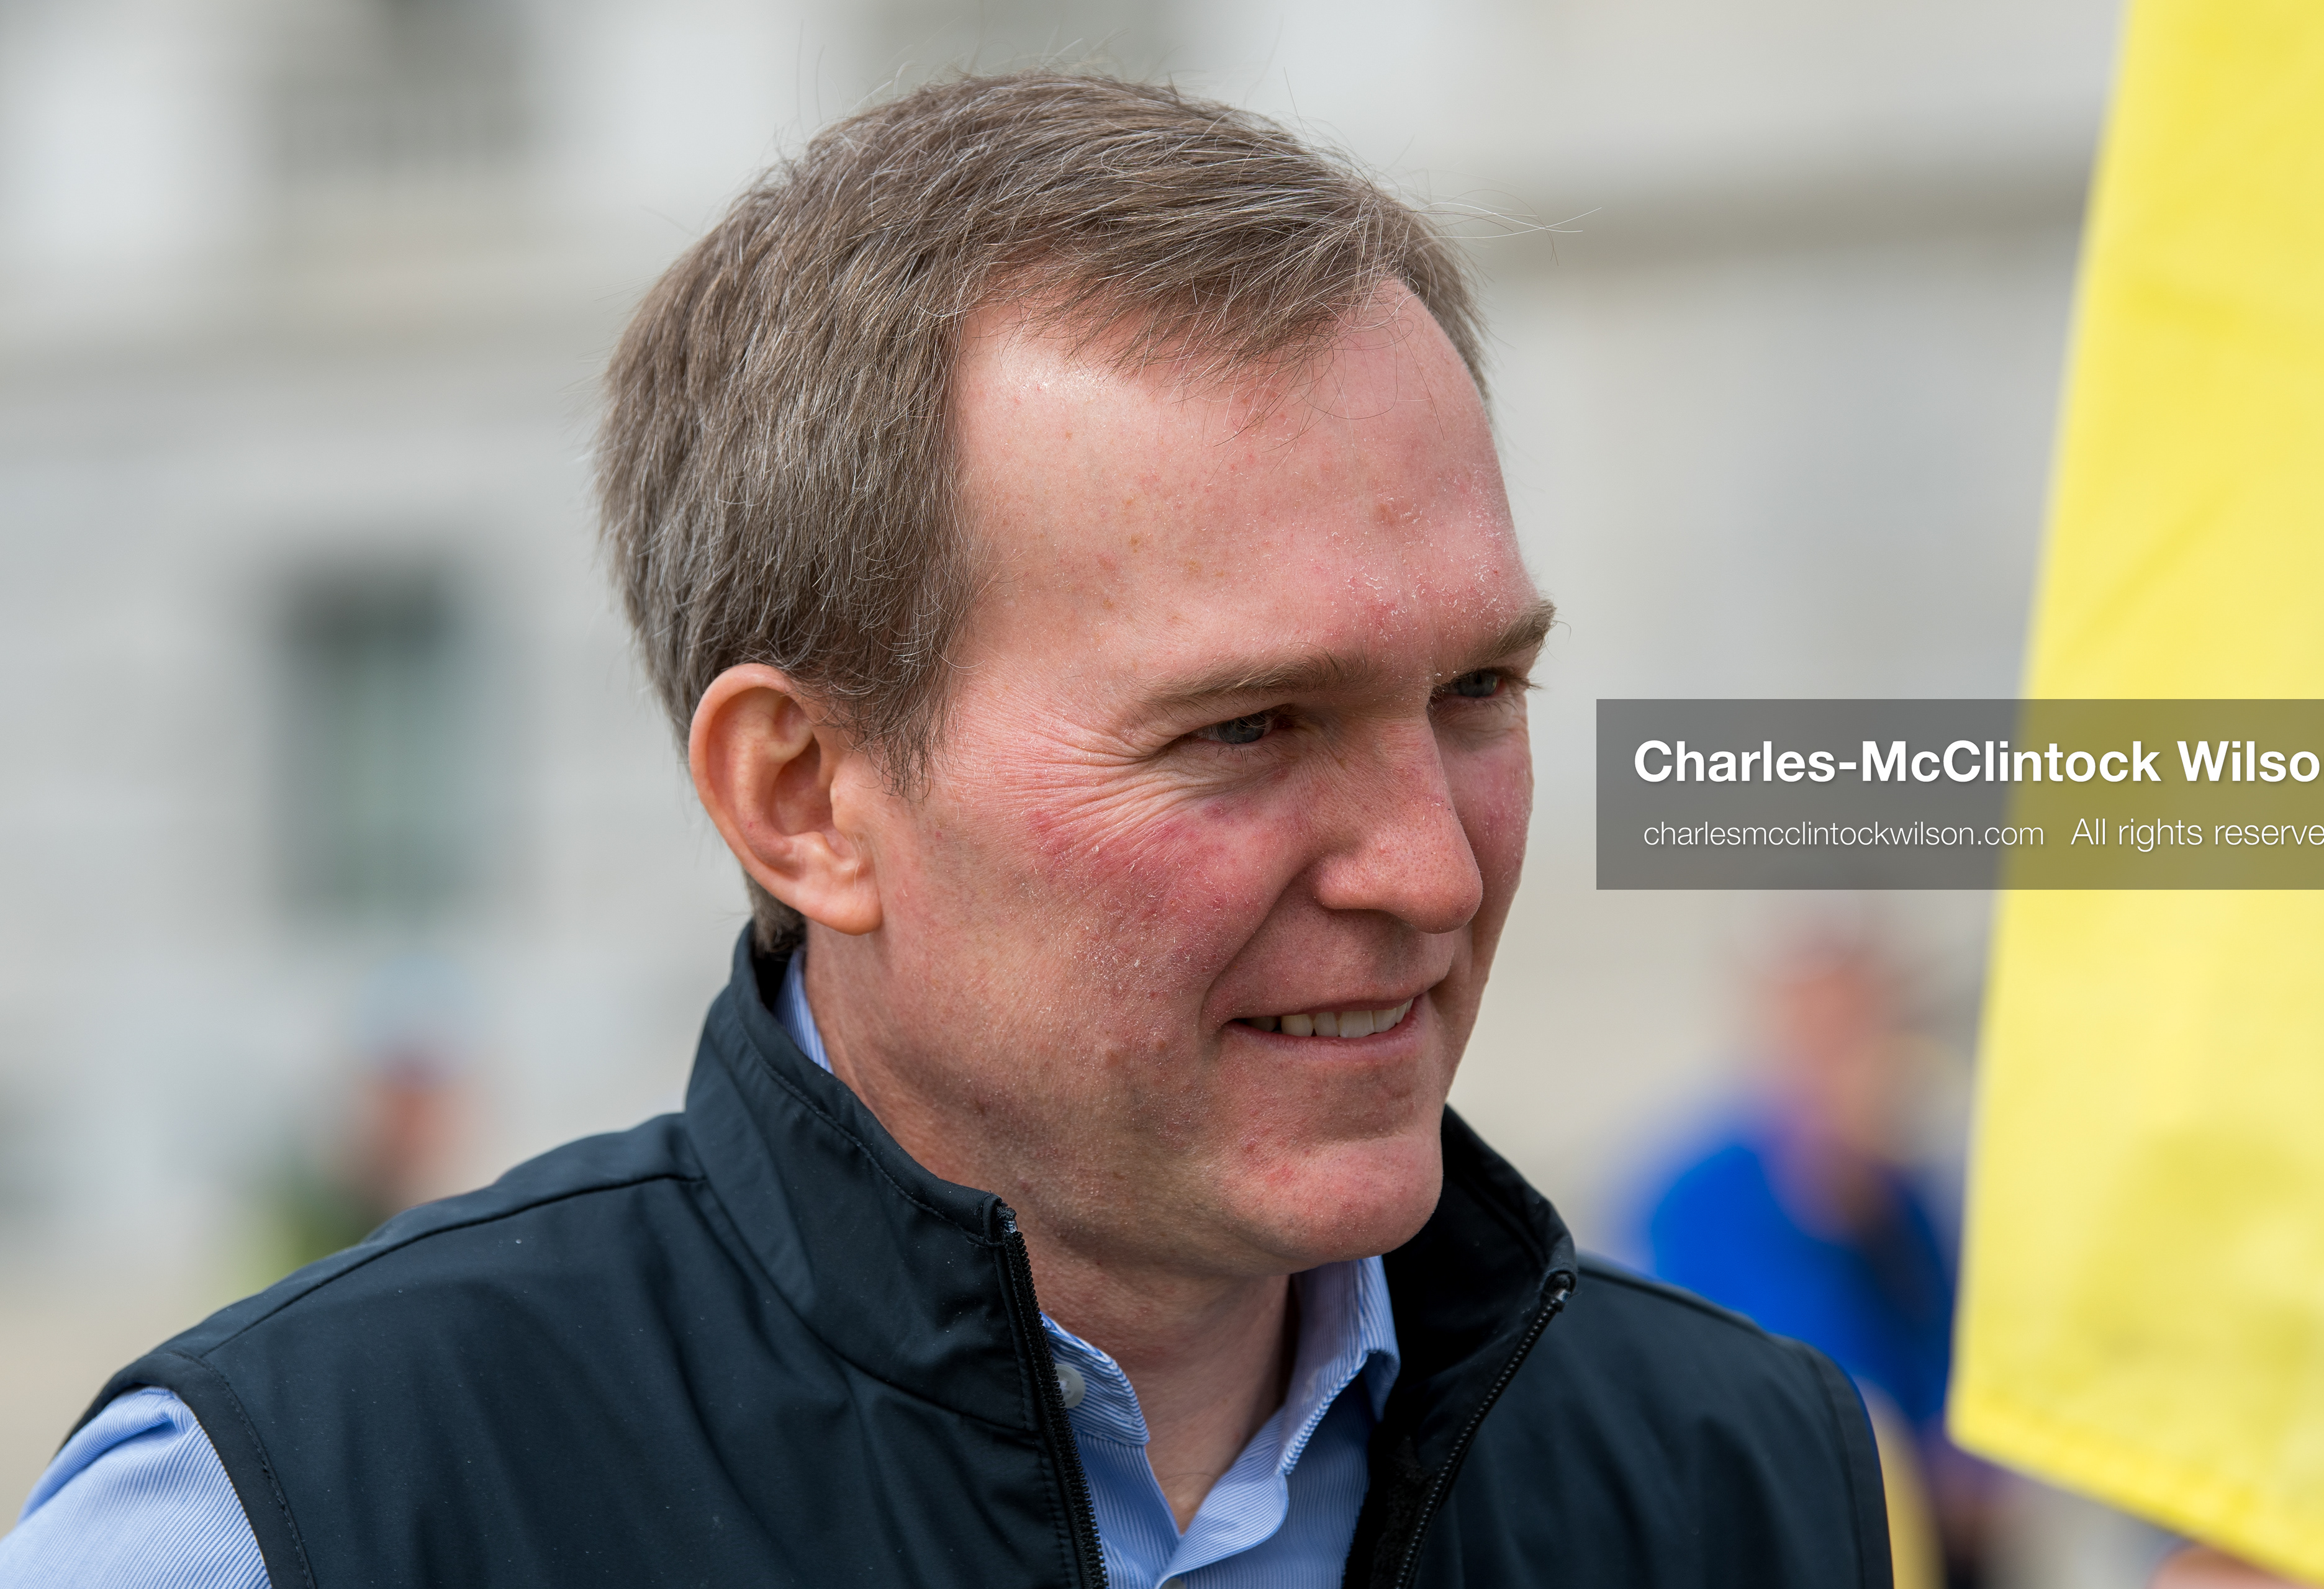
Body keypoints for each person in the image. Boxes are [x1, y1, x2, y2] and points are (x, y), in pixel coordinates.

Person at [2, 74, 1889, 1587]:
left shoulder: (1736, 1471)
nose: (1432, 865)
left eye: (1476, 694)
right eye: (1244, 726)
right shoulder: (296, 1514)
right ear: (803, 799)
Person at [1636, 935, 1986, 1585]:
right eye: (1819, 1025)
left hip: (1903, 1526)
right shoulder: (1694, 1190)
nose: (1842, 1056)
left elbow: (1950, 1362)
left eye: (1857, 1023)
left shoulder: (1903, 1193)